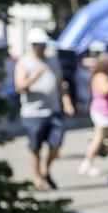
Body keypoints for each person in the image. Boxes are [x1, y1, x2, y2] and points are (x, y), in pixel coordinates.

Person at [14, 27, 74, 190]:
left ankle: (46, 170)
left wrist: (66, 100)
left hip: (53, 110)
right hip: (33, 112)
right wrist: (35, 76)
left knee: (56, 145)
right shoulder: (24, 62)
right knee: (35, 147)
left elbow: (61, 83)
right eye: (40, 45)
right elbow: (19, 86)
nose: (43, 48)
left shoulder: (52, 60)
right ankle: (37, 177)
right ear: (33, 45)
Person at [78, 53, 108, 177]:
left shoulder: (105, 75)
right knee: (98, 138)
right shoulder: (100, 76)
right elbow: (105, 91)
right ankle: (87, 163)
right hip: (102, 111)